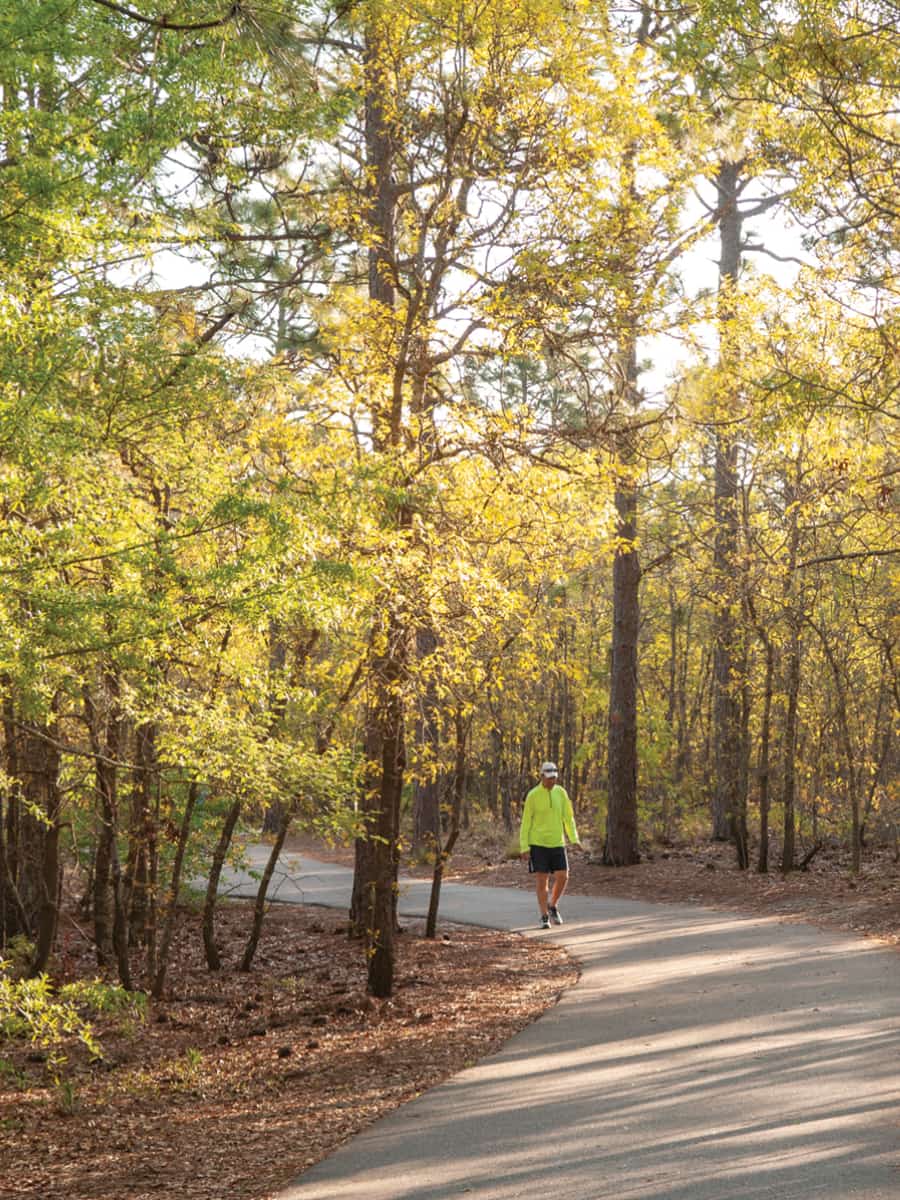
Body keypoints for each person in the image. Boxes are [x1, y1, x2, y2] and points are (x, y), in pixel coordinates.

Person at [519, 762, 580, 929]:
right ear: (541, 777)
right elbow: (526, 822)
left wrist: (574, 838)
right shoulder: (533, 795)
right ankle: (544, 916)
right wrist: (524, 846)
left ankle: (552, 905)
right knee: (542, 880)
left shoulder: (561, 793)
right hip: (538, 843)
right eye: (549, 778)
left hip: (557, 842)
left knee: (563, 876)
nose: (552, 781)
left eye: (554, 778)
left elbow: (568, 817)